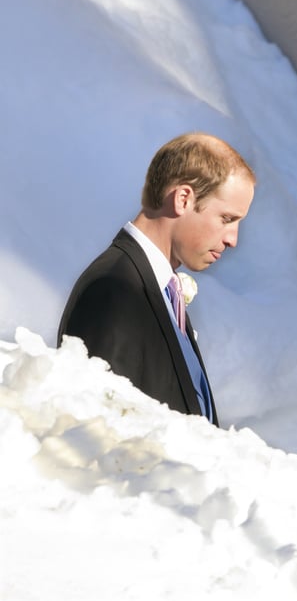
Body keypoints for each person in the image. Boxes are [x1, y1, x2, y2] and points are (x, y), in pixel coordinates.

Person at [58, 132, 256, 426]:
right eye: (227, 219)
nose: (233, 240)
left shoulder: (160, 290)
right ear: (183, 198)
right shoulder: (113, 291)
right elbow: (94, 434)